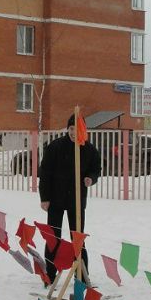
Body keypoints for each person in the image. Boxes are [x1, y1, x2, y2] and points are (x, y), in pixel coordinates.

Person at [38, 114, 101, 284]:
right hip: (55, 200)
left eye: (77, 129)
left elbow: (96, 169)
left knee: (78, 239)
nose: (74, 132)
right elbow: (45, 173)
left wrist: (91, 178)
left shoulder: (89, 149)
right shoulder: (55, 147)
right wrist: (45, 198)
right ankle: (49, 276)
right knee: (53, 238)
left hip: (77, 201)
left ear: (83, 130)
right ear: (68, 129)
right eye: (71, 128)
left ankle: (81, 276)